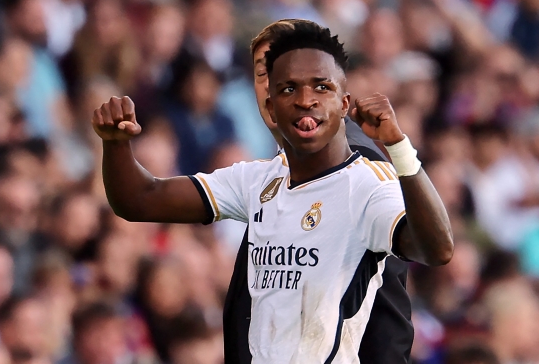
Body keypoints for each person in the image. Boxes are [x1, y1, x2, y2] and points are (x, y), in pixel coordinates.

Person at [92, 21, 454, 363]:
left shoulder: (368, 176)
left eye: (319, 85)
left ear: (344, 102)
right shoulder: (260, 178)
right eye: (277, 81)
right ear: (266, 100)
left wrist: (400, 149)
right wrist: (116, 145)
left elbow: (434, 250)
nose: (304, 99)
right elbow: (139, 198)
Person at [222, 19, 415, 364]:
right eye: (263, 73)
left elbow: (384, 300)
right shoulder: (283, 165)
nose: (273, 87)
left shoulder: (356, 162)